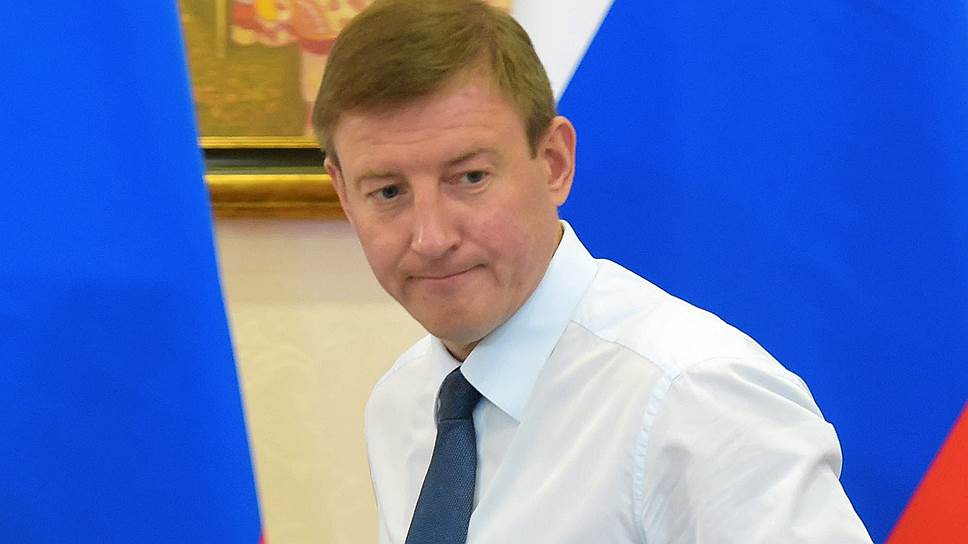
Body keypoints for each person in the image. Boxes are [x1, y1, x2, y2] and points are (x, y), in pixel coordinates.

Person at [312, 1, 874, 542]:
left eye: (471, 178)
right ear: (343, 193)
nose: (431, 238)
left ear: (553, 164)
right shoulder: (402, 401)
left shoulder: (694, 396)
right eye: (388, 192)